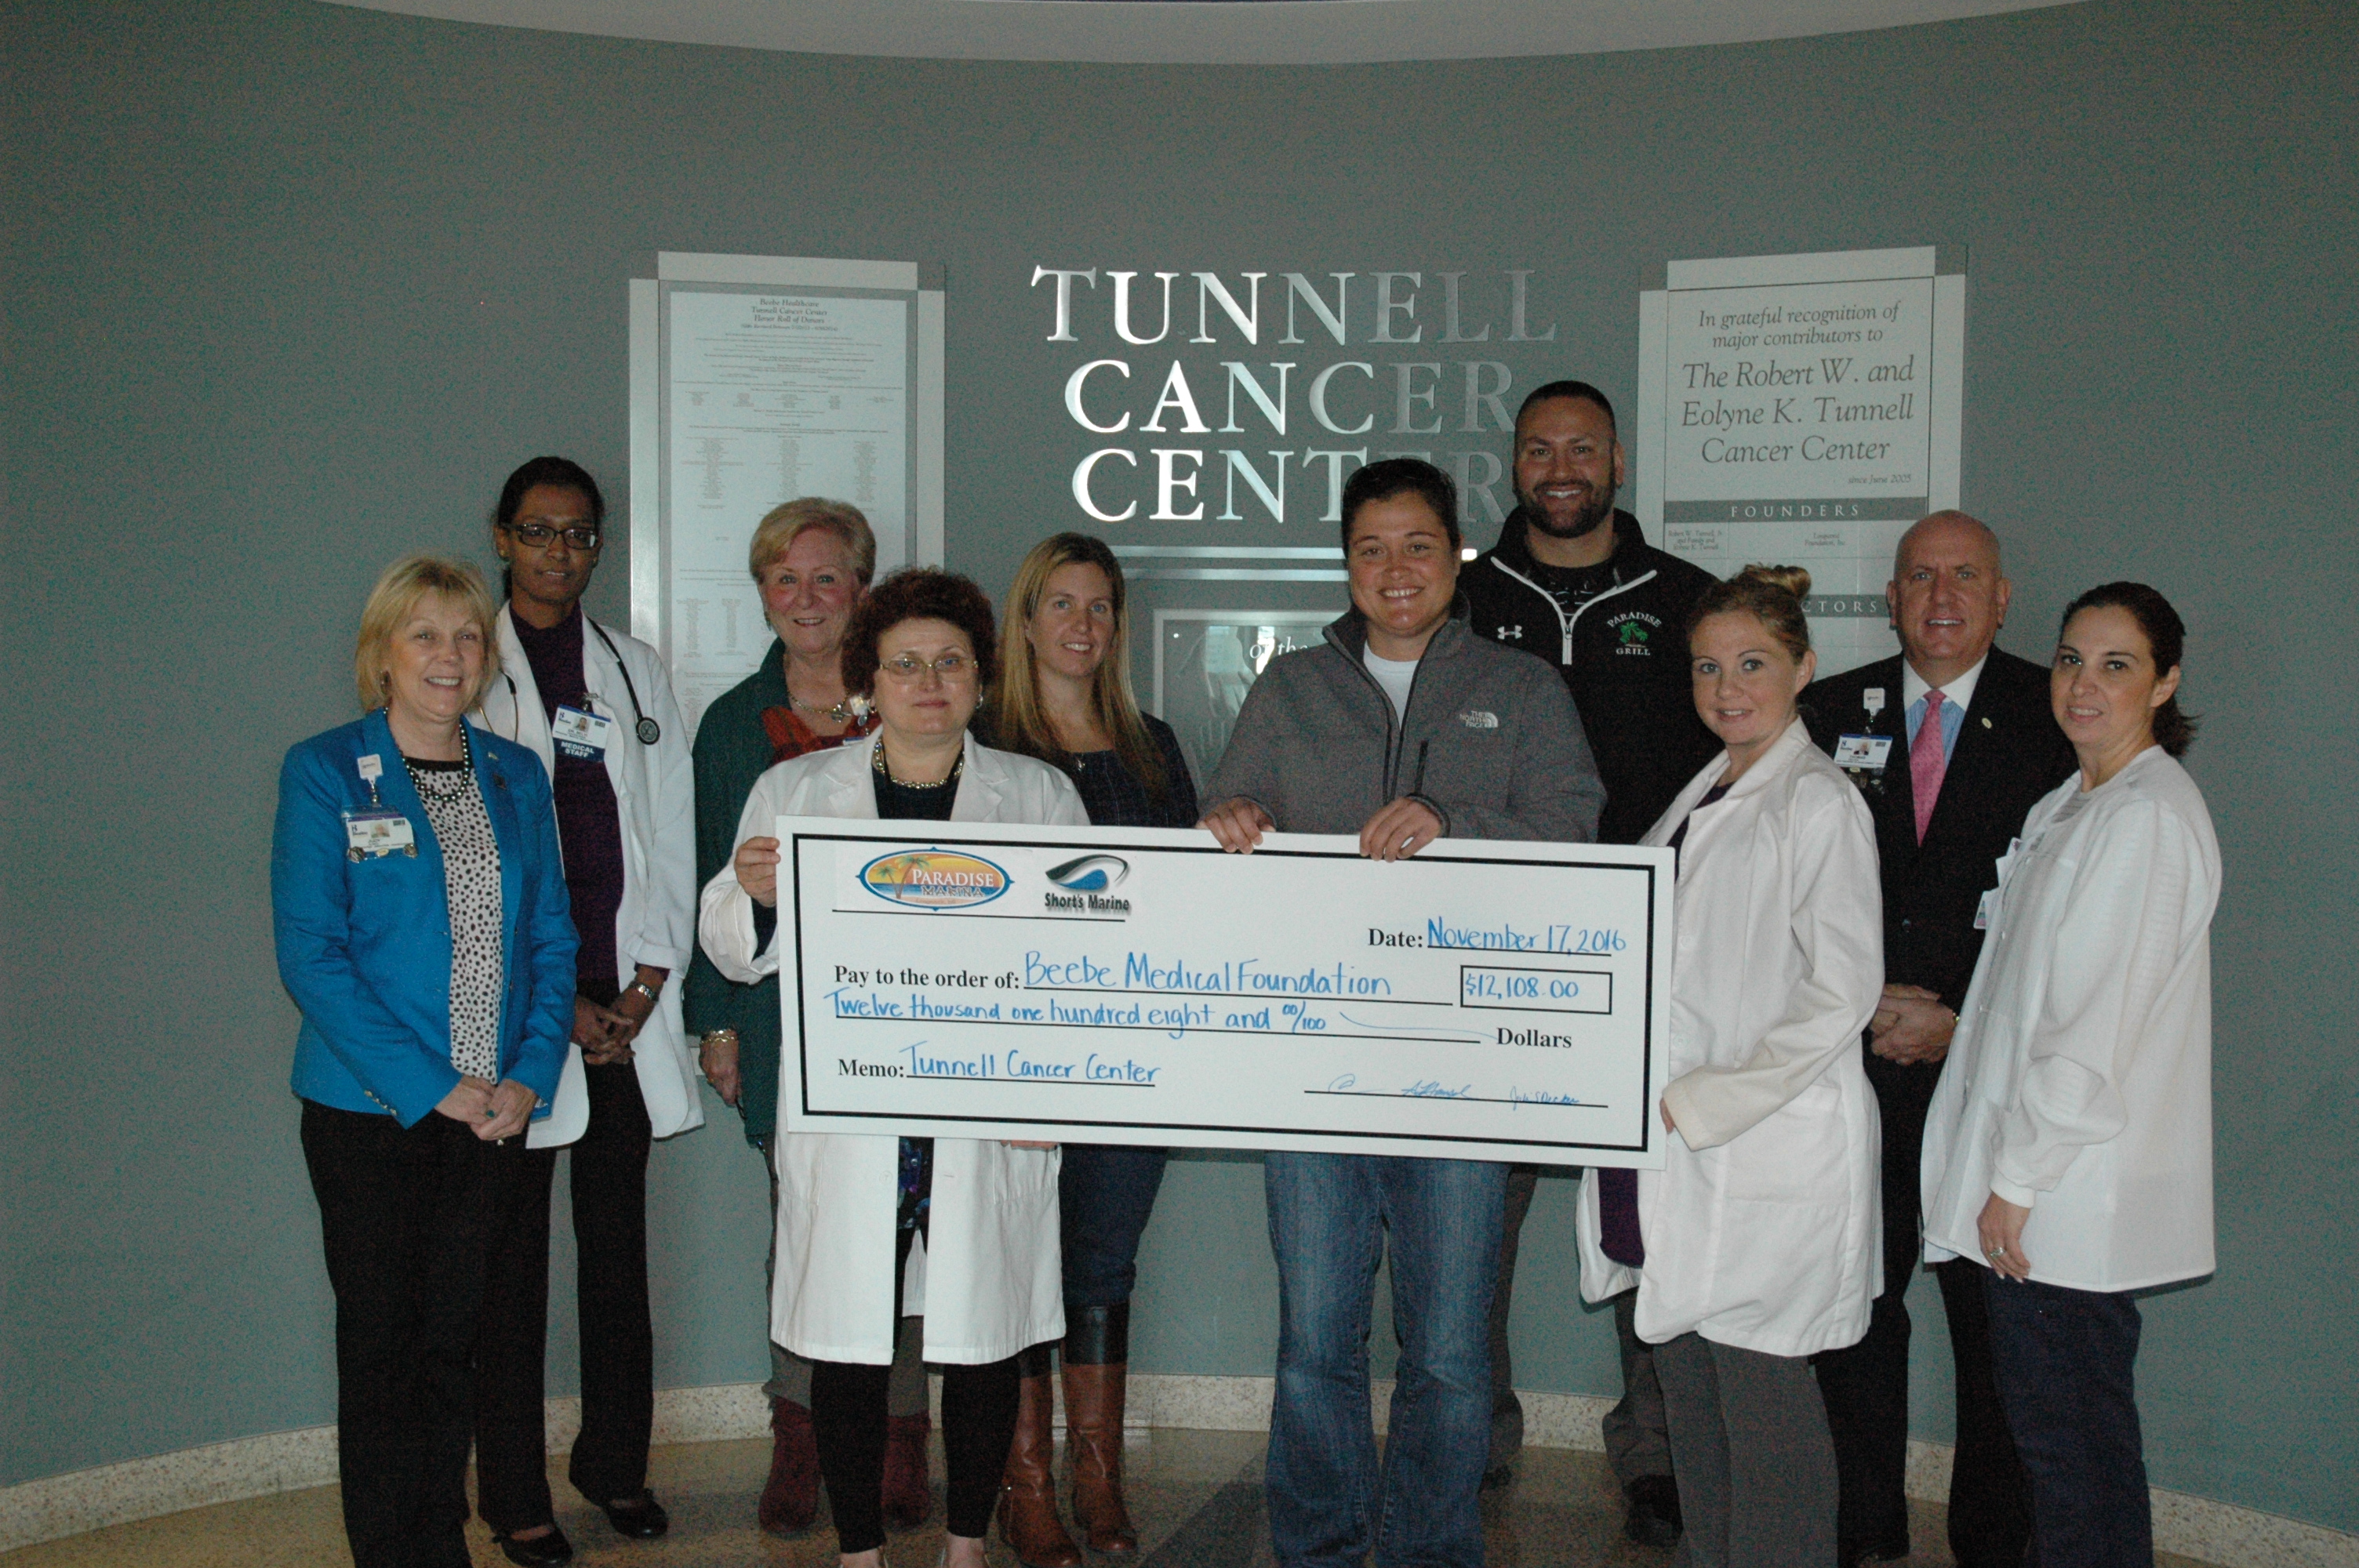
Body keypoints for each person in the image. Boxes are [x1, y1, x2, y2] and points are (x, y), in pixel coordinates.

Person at [1201, 458, 1604, 1568]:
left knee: (1451, 1353)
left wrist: (1452, 820)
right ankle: (1321, 1547)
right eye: (1370, 548)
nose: (1394, 569)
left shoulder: (1522, 688)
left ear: (1455, 557)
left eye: (1417, 545)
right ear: (1345, 563)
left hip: (1463, 1074)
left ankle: (1430, 1548)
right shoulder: (1289, 688)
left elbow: (1575, 827)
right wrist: (1226, 817)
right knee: (1313, 1343)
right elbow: (1227, 817)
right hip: (1314, 1072)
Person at [701, 568, 1089, 1568]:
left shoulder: (1037, 796)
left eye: (949, 661)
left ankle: (965, 1544)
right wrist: (757, 895)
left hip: (986, 1103)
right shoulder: (797, 791)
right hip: (855, 1109)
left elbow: (1082, 956)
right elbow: (731, 946)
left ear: (980, 677)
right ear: (867, 681)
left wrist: (1054, 1090)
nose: (928, 681)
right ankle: (859, 1550)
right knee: (850, 1333)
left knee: (982, 1331)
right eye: (904, 663)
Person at [1576, 564, 1882, 1568]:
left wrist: (1704, 1100)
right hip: (1679, 1149)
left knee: (1763, 1415)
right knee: (1691, 1396)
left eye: (1751, 663)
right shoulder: (1703, 788)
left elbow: (1840, 992)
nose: (1725, 687)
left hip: (1758, 1144)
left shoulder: (1817, 801)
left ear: (1803, 666)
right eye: (1706, 667)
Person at [272, 555, 574, 1568]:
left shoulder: (516, 773)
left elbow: (552, 939)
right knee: (384, 1349)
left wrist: (528, 1076)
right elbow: (312, 957)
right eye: (425, 636)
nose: (451, 656)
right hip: (373, 1114)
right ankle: (389, 1549)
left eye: (468, 636)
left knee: (455, 1343)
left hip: (495, 1113)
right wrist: (434, 1087)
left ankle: (438, 1541)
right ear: (383, 655)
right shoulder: (325, 770)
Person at [1459, 379, 1716, 1536]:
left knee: (1648, 1209)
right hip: (1490, 951)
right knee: (1474, 1212)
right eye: (1537, 449)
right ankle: (1470, 1429)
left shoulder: (1687, 600)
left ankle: (1655, 1450)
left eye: (1581, 449)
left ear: (1617, 461)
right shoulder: (1464, 597)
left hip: (1653, 956)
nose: (1559, 469)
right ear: (1512, 465)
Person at [1921, 583, 2217, 1568]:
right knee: (2059, 1448)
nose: (2081, 684)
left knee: (2072, 1453)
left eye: (2114, 665)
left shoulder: (2145, 817)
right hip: (2034, 1179)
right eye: (2068, 660)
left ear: (2164, 682)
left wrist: (2016, 1178)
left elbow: (2089, 1029)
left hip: (2060, 1191)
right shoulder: (2071, 801)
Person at [1801, 510, 2074, 1566]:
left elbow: (2063, 915)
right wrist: (1857, 1001)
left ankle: (1991, 1540)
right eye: (1920, 576)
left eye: (1965, 575)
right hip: (1855, 1062)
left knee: (1990, 1316)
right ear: (1891, 598)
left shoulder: (2057, 715)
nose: (1941, 595)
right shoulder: (1827, 710)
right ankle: (1862, 1526)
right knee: (1855, 1300)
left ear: (2002, 599)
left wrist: (1961, 1017)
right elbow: (1794, 886)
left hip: (1985, 1070)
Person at [678, 499, 925, 1536]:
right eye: (785, 578)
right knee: (808, 1228)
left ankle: (901, 1432)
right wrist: (717, 1021)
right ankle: (802, 1433)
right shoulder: (734, 724)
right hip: (782, 1017)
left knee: (912, 1224)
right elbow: (712, 877)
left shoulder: (913, 696)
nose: (807, 597)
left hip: (910, 1015)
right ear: (763, 593)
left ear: (862, 589)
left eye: (828, 577)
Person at [468, 458, 700, 1564]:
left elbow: (672, 834)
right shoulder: (467, 666)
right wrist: (554, 1000)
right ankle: (514, 1491)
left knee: (617, 1257)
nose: (560, 552)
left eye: (579, 534)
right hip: (522, 1011)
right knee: (508, 1269)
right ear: (501, 538)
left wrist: (646, 986)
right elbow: (472, 862)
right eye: (539, 531)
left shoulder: (633, 670)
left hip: (625, 1007)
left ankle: (614, 1463)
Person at [983, 533, 1199, 1564]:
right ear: (1025, 621)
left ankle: (1096, 1480)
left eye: (1100, 605)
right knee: (1019, 1261)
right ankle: (1023, 1488)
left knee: (1104, 1259)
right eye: (1061, 604)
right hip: (1015, 1054)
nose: (1082, 624)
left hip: (1127, 1052)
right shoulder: (982, 740)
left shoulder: (1153, 745)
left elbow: (1189, 896)